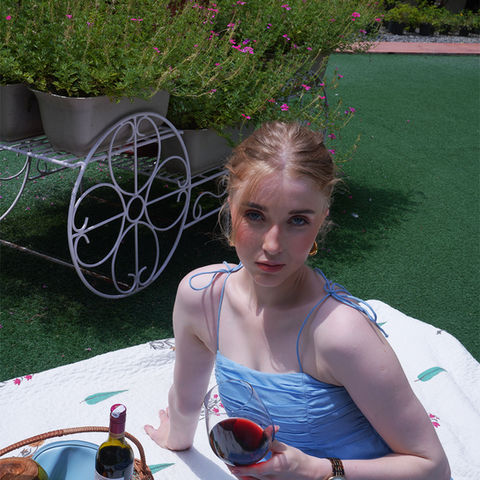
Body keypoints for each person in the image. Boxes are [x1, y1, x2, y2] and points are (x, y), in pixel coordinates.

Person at [144, 121, 451, 480]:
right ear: (230, 207)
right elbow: (185, 400)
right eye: (255, 215)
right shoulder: (202, 298)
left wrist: (319, 470)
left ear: (321, 221)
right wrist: (176, 437)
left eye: (298, 220)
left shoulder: (340, 333)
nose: (273, 245)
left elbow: (433, 468)